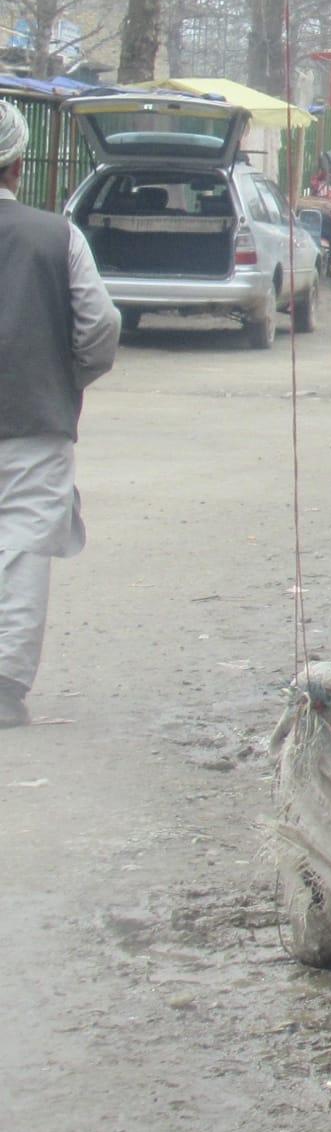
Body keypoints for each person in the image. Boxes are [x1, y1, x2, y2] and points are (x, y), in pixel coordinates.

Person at [0, 100, 119, 727]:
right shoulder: (57, 236)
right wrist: (67, 378)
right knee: (21, 547)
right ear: (18, 164)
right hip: (34, 423)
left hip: (36, 415)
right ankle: (3, 685)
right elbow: (99, 327)